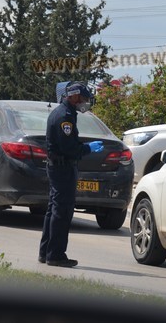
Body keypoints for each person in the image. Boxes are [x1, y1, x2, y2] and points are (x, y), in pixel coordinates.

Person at [38, 81, 103, 267]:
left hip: (59, 167)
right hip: (63, 167)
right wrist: (87, 148)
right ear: (73, 96)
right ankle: (55, 255)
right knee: (62, 212)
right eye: (83, 98)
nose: (85, 102)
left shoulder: (65, 113)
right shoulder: (64, 117)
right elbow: (69, 148)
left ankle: (46, 252)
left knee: (53, 210)